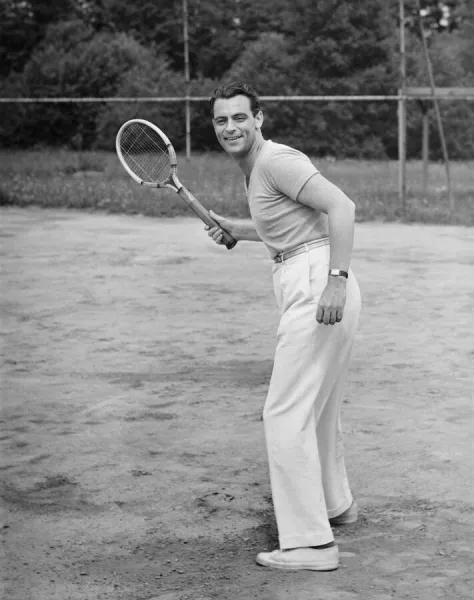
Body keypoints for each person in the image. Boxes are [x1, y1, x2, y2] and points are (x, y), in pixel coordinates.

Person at [205, 82, 362, 572]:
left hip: (318, 284)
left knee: (283, 413)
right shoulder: (257, 172)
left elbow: (342, 207)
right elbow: (283, 227)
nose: (230, 127)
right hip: (312, 276)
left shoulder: (275, 161)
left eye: (239, 117)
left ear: (260, 119)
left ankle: (310, 545)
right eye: (221, 121)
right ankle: (336, 508)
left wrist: (334, 281)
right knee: (316, 408)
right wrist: (235, 225)